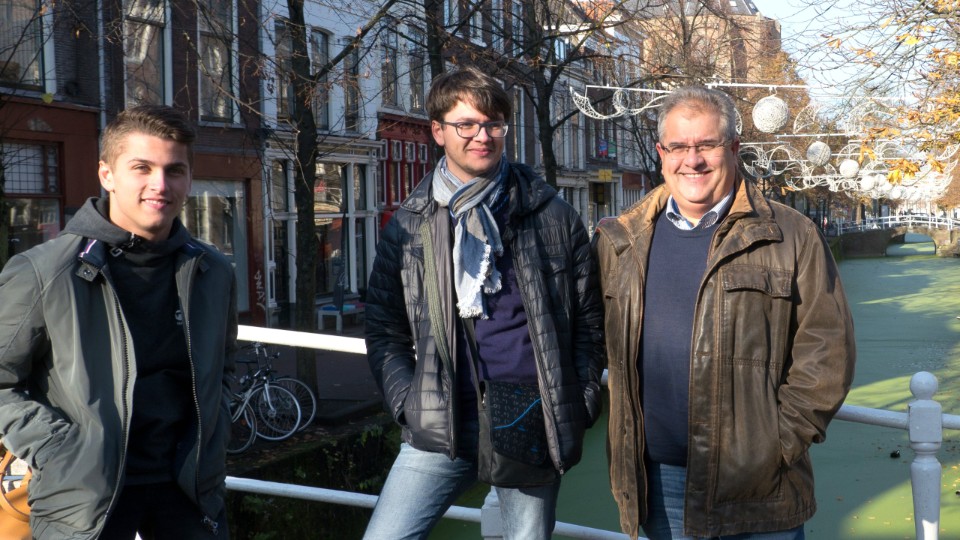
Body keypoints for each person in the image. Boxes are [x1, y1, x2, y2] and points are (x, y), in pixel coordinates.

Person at [593, 86, 856, 539]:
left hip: (759, 487)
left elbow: (827, 351)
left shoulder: (791, 235)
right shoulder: (620, 239)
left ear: (733, 148)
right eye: (679, 146)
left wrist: (775, 446)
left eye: (707, 145)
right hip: (657, 483)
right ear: (661, 153)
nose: (692, 160)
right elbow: (595, 336)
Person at [363, 66, 605, 539]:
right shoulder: (410, 225)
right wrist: (408, 404)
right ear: (438, 131)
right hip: (441, 418)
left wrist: (580, 402)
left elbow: (589, 324)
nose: (482, 136)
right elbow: (384, 328)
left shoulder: (553, 216)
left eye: (493, 124)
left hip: (530, 419)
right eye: (466, 124)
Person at [0, 105, 237, 539]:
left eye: (174, 170)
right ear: (107, 175)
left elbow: (224, 367)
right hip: (83, 494)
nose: (160, 185)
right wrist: (59, 449)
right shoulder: (45, 272)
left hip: (187, 488)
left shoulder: (213, 272)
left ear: (189, 178)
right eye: (142, 168)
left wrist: (215, 432)